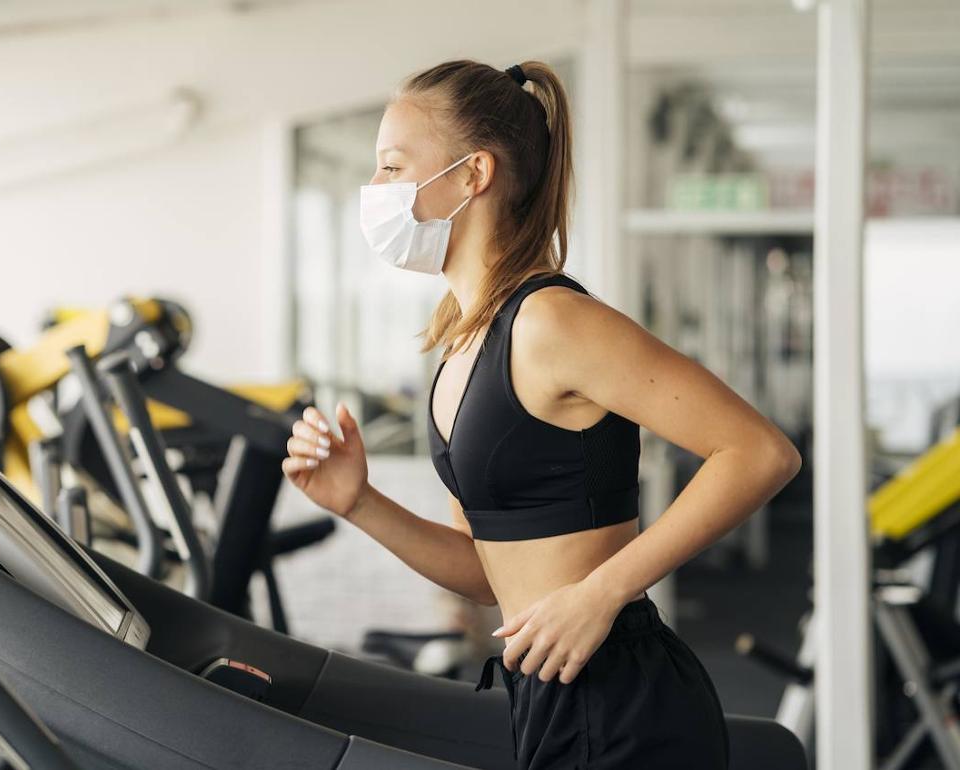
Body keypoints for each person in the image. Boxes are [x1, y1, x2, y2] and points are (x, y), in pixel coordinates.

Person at [282, 59, 801, 770]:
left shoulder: (551, 322)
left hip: (621, 700)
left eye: (393, 167)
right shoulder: (461, 341)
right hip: (545, 693)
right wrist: (359, 502)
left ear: (474, 175)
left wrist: (601, 592)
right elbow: (484, 571)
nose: (375, 192)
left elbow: (759, 451)